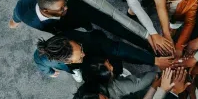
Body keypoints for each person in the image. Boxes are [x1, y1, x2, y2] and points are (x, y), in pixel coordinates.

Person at [33, 31, 173, 80]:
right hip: (77, 68)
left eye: (80, 48)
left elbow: (119, 49)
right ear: (68, 62)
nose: (83, 53)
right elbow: (42, 66)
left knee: (113, 64)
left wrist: (153, 60)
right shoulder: (41, 57)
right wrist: (50, 72)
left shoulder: (91, 41)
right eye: (80, 56)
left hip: (98, 50)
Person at [9, 0, 92, 33]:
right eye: (61, 8)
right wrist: (14, 22)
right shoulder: (23, 12)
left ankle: (86, 25)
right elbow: (17, 15)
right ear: (46, 10)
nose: (66, 7)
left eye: (64, 4)